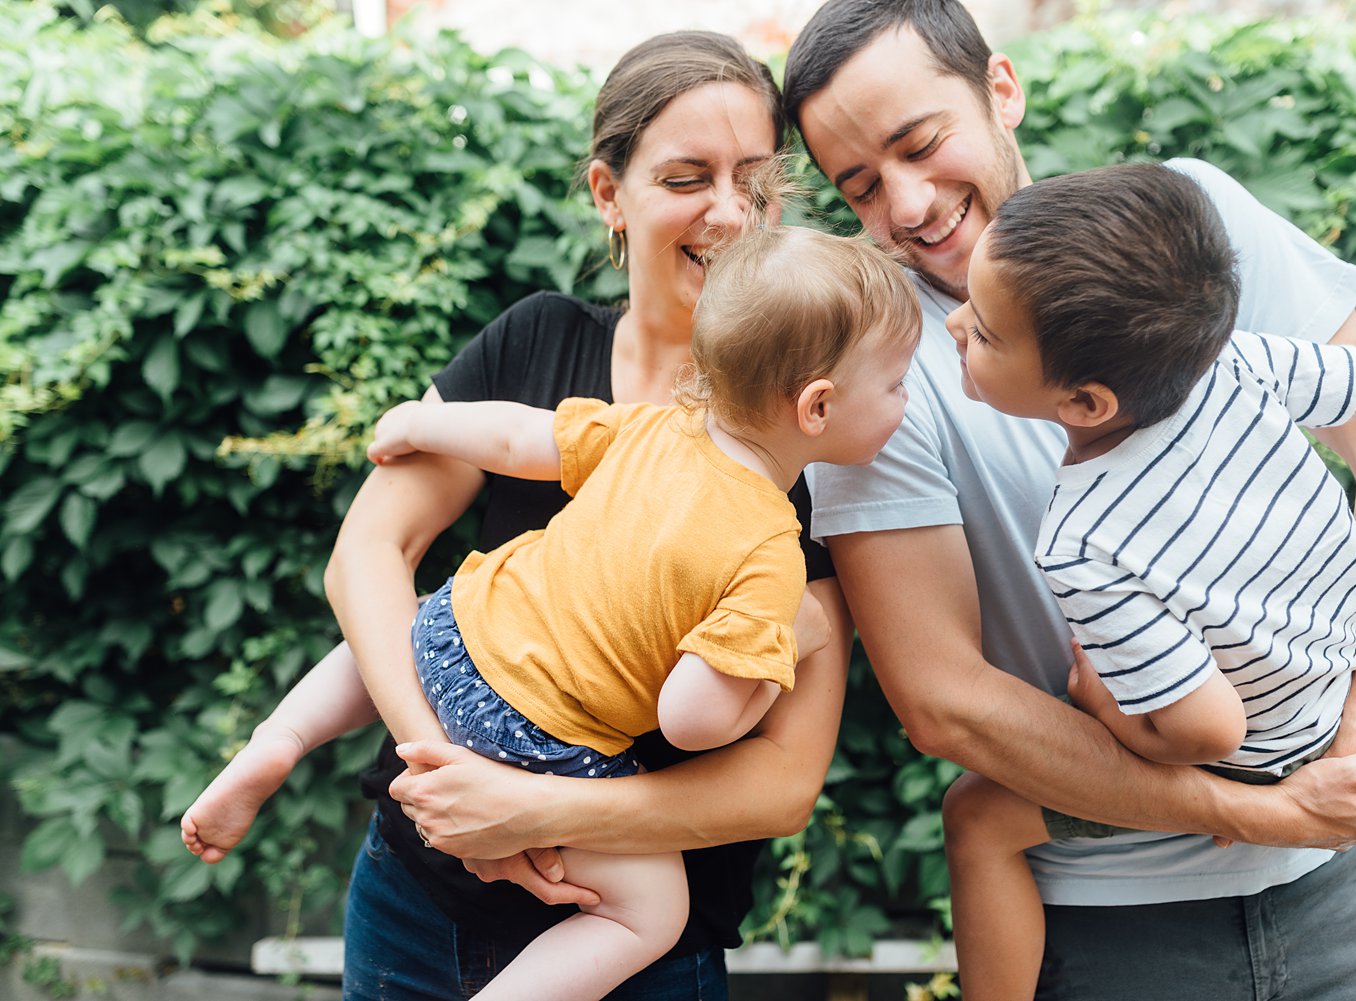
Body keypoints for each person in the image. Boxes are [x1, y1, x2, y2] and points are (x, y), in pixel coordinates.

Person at [774, 1, 1356, 998]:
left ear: (1002, 89)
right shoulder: (872, 369)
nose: (909, 205)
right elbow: (944, 700)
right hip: (1105, 927)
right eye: (862, 185)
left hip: (1335, 896)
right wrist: (1272, 802)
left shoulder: (1181, 228)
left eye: (921, 144)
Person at [181, 31, 863, 1001]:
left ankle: (281, 740)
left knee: (450, 617)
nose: (729, 211)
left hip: (639, 963)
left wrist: (518, 806)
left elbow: (784, 782)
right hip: (415, 894)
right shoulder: (539, 340)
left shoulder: (813, 432)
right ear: (608, 192)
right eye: (687, 176)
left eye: (755, 180)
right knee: (447, 611)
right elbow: (369, 552)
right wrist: (450, 780)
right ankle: (280, 742)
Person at [262, 226, 918, 1001]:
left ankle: (278, 737)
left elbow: (515, 434)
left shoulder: (650, 426)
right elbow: (689, 719)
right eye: (898, 384)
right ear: (817, 406)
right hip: (531, 743)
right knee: (652, 912)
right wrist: (778, 658)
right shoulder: (771, 551)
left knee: (416, 625)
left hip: (455, 645)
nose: (907, 401)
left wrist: (418, 421)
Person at [935, 163, 1356, 1001]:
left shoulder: (1082, 538)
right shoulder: (1235, 362)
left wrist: (1114, 712)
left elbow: (1209, 733)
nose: (956, 323)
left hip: (1263, 762)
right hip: (1333, 681)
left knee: (979, 816)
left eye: (987, 332)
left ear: (1086, 402)